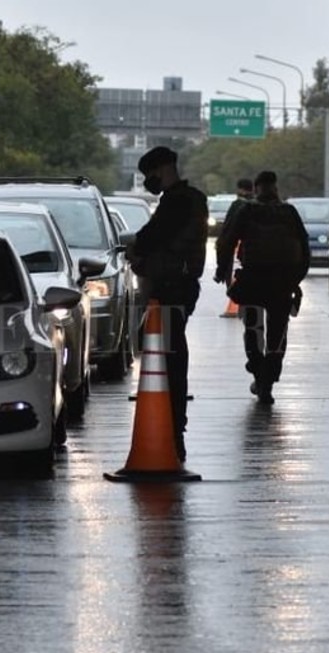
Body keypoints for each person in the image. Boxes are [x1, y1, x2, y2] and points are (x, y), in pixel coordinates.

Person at [129, 146, 208, 462]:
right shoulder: (188, 200)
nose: (149, 181)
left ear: (162, 169)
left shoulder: (179, 201)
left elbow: (152, 237)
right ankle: (174, 425)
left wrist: (138, 251)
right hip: (178, 284)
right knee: (170, 356)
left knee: (171, 359)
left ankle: (174, 428)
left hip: (173, 285)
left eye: (149, 176)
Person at [214, 171, 310, 405]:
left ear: (257, 188)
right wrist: (295, 280)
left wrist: (221, 269)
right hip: (281, 282)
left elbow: (227, 240)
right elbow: (304, 246)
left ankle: (259, 372)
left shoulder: (247, 210)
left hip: (253, 280)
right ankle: (268, 379)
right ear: (275, 188)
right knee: (277, 334)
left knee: (253, 330)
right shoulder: (289, 212)